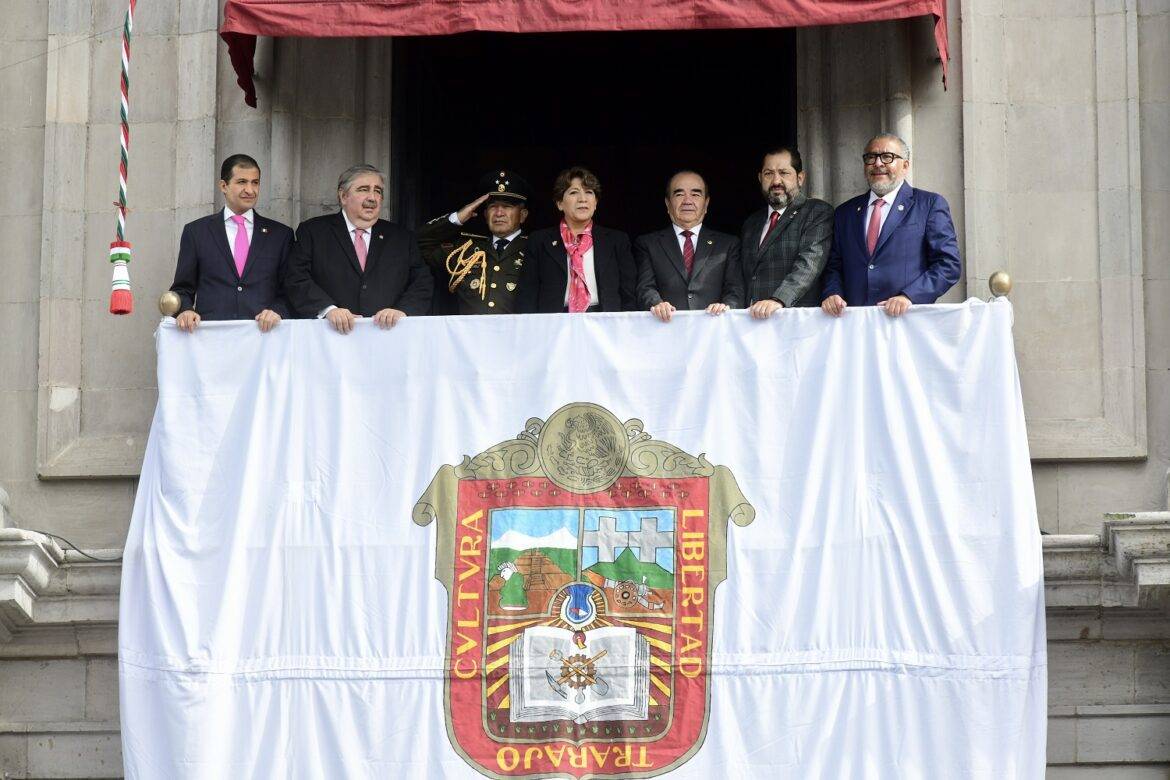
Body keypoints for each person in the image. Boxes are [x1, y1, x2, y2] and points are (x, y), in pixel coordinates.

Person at [821, 133, 961, 318]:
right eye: (871, 157)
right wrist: (832, 293)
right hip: (854, 321)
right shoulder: (844, 213)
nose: (878, 164)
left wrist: (909, 296)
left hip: (906, 321)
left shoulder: (929, 205)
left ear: (905, 165)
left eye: (888, 157)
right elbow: (834, 266)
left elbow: (948, 265)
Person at [286, 164, 432, 334]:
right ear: (343, 196)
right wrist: (328, 310)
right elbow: (296, 278)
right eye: (364, 189)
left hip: (388, 336)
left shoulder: (402, 238)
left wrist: (402, 311)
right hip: (330, 337)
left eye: (378, 191)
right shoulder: (314, 231)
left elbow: (422, 282)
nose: (373, 197)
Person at [169, 154, 293, 333]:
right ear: (223, 186)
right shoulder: (196, 232)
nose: (250, 190)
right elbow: (182, 288)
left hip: (265, 338)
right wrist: (185, 310)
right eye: (242, 182)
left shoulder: (280, 235)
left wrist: (277, 311)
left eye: (255, 182)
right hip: (212, 338)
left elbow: (290, 290)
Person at [517, 167, 636, 314]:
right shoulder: (539, 241)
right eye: (574, 192)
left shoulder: (616, 240)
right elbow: (527, 294)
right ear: (559, 203)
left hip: (605, 324)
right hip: (554, 324)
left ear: (596, 203)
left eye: (589, 192)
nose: (583, 199)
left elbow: (629, 294)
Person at [634, 170, 742, 322]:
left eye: (695, 194)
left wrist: (726, 306)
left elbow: (735, 290)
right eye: (679, 194)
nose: (687, 201)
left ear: (706, 203)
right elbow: (645, 287)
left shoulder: (728, 244)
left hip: (714, 329)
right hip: (665, 328)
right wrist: (657, 304)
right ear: (667, 203)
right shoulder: (648, 244)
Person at [738, 147, 833, 319]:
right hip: (752, 323)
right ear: (760, 178)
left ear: (800, 178)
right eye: (768, 173)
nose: (776, 181)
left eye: (784, 173)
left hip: (796, 322)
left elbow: (809, 264)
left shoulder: (817, 212)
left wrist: (778, 300)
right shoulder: (751, 223)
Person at [417, 170, 530, 314]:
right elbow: (420, 243)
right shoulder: (465, 250)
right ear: (485, 214)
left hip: (518, 335)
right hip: (469, 336)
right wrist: (458, 217)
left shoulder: (535, 249)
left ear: (523, 215)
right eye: (493, 207)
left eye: (507, 206)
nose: (499, 213)